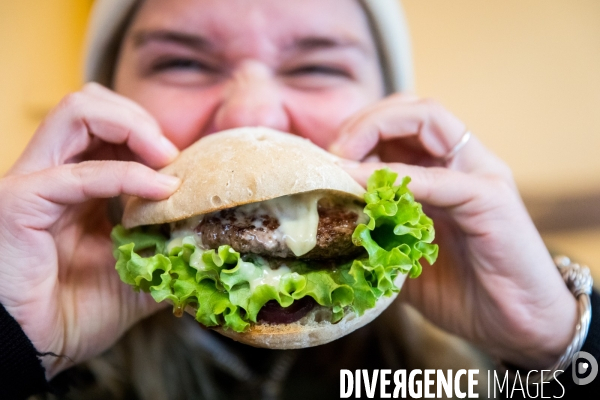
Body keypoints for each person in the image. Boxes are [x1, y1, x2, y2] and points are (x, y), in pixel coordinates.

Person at [0, 0, 597, 398]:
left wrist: (555, 342)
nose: (254, 112)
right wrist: (16, 344)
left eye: (317, 66)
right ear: (108, 108)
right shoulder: (40, 321)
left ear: (390, 111)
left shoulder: (503, 314)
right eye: (180, 61)